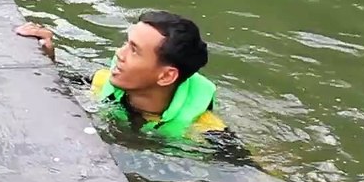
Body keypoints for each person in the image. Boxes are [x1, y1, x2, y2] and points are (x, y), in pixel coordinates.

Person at [17, 11, 230, 140]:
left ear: (166, 76)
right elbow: (54, 84)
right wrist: (47, 58)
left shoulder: (207, 132)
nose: (119, 53)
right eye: (126, 43)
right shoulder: (100, 82)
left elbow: (243, 173)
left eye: (134, 50)